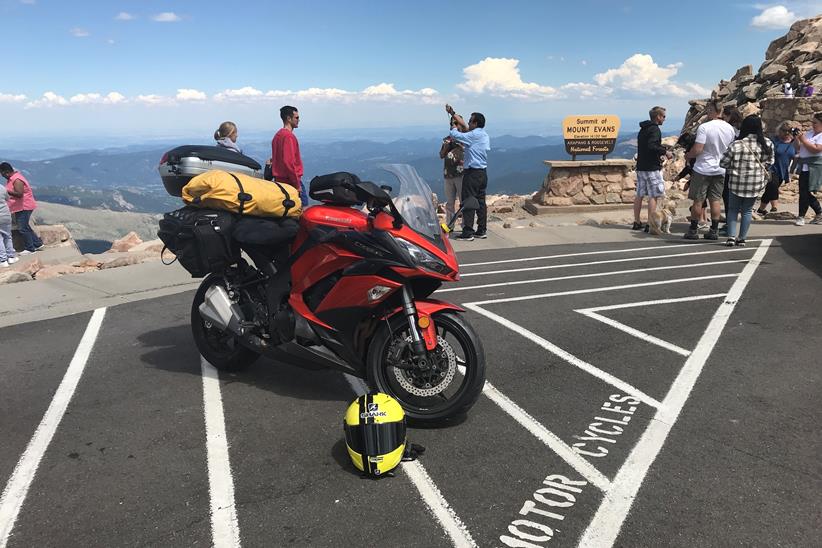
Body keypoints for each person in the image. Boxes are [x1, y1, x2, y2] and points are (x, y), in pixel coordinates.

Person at [683, 100, 736, 240]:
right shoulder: (729, 128)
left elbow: (698, 149)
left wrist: (689, 155)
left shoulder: (704, 127)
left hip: (703, 168)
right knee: (716, 200)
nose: (707, 111)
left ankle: (693, 230)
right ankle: (714, 230)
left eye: (708, 109)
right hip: (720, 169)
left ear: (713, 110)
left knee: (698, 200)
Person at [719, 116, 774, 247]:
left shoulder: (736, 144)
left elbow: (723, 163)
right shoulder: (767, 143)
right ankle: (742, 238)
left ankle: (731, 237)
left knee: (732, 209)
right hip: (755, 183)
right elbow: (770, 162)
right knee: (747, 210)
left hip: (736, 182)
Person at [445, 105, 490, 241]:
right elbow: (464, 126)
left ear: (475, 123)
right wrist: (452, 113)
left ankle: (468, 232)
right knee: (481, 202)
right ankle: (481, 230)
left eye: (471, 121)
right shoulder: (483, 134)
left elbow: (455, 134)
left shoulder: (473, 135)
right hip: (482, 173)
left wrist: (453, 126)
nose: (468, 123)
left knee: (468, 201)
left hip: (472, 173)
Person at [633, 106, 672, 231]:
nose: (664, 119)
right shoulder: (655, 130)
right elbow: (652, 145)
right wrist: (665, 152)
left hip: (641, 166)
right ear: (658, 117)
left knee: (639, 195)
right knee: (653, 195)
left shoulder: (643, 129)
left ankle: (637, 221)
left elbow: (646, 147)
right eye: (664, 116)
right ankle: (651, 223)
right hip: (651, 168)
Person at [1, 162, 44, 254]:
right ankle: (37, 243)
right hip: (20, 206)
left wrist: (6, 191)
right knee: (26, 226)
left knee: (22, 228)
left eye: (2, 173)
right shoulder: (12, 178)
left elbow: (19, 194)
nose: (2, 176)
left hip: (24, 206)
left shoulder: (16, 179)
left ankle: (30, 248)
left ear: (6, 172)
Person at [757, 122, 795, 215]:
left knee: (770, 189)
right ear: (779, 130)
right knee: (773, 186)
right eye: (784, 130)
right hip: (772, 168)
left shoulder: (793, 142)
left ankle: (761, 209)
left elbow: (797, 154)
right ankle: (774, 208)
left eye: (788, 131)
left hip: (784, 170)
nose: (786, 133)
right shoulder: (774, 141)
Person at [271, 105, 307, 205]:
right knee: (302, 210)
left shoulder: (277, 135)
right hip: (290, 182)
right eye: (296, 117)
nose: (299, 120)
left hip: (279, 181)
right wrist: (297, 184)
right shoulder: (288, 137)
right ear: (288, 118)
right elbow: (289, 162)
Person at [793, 111, 822, 226]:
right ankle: (817, 212)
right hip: (805, 166)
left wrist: (803, 139)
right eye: (812, 122)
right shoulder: (810, 133)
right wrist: (797, 139)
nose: (813, 125)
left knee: (807, 191)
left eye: (815, 123)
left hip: (815, 166)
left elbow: (816, 149)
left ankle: (803, 216)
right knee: (804, 191)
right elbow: (799, 148)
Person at [440, 118, 464, 223]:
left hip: (461, 173)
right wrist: (446, 146)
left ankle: (465, 226)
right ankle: (450, 225)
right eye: (452, 124)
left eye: (456, 124)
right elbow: (441, 155)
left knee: (463, 201)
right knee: (450, 202)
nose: (453, 126)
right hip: (448, 174)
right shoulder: (447, 139)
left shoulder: (464, 138)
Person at [0, 183, 18, 267]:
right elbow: (7, 198)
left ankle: (3, 260)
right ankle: (11, 256)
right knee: (8, 236)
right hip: (5, 215)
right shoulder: (2, 187)